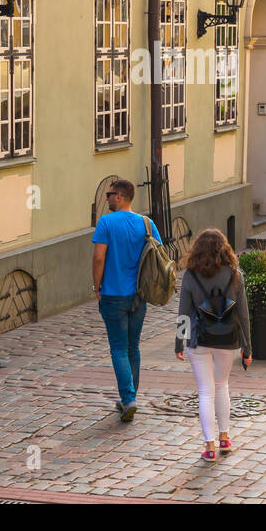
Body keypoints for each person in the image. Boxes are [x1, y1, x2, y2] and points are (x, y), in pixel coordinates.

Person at [174, 229, 251, 462]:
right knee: (222, 385)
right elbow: (243, 314)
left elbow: (184, 313)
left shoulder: (190, 275)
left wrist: (179, 342)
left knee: (205, 391)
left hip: (199, 339)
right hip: (228, 339)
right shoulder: (236, 274)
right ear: (224, 248)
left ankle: (209, 447)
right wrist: (247, 347)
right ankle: (225, 438)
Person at [92, 178, 162, 422]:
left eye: (110, 194)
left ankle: (128, 398)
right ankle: (129, 399)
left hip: (113, 295)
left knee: (119, 348)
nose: (107, 198)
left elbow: (99, 257)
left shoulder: (106, 222)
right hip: (138, 297)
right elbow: (159, 255)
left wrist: (96, 286)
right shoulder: (147, 223)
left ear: (120, 196)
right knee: (133, 347)